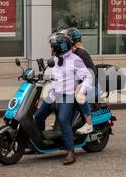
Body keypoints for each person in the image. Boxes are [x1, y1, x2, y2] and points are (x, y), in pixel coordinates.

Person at [34, 33, 93, 165]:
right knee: (38, 116)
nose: (51, 49)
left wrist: (81, 90)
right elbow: (52, 74)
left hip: (68, 95)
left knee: (63, 119)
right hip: (55, 93)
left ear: (60, 47)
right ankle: (41, 143)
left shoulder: (75, 59)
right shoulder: (55, 59)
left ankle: (70, 152)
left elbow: (88, 77)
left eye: (53, 47)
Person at [59, 27, 100, 135]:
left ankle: (88, 124)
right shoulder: (70, 54)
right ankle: (63, 123)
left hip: (92, 86)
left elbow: (92, 74)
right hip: (80, 84)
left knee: (78, 93)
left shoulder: (81, 53)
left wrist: (78, 85)